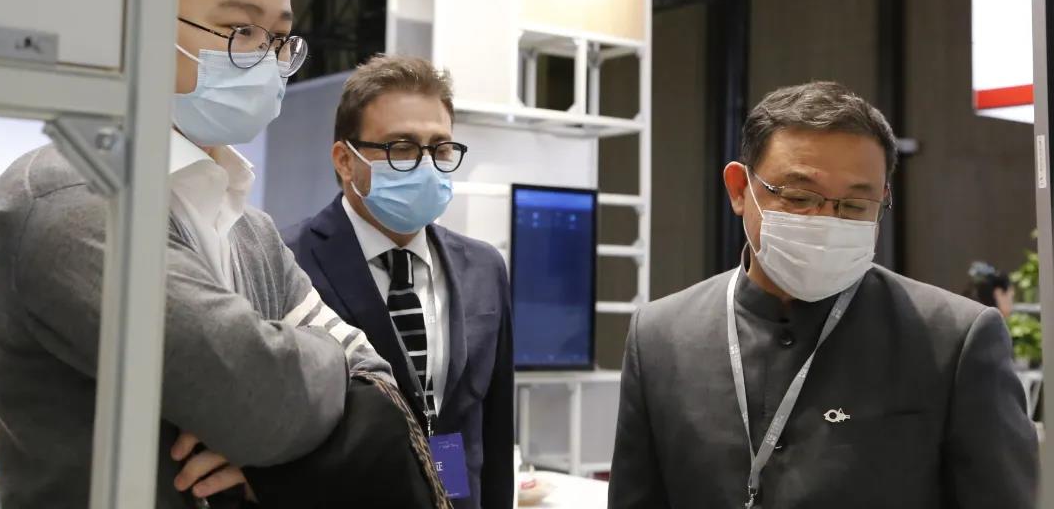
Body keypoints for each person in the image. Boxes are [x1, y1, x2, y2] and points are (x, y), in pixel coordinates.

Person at [0, 0, 397, 509]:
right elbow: (259, 403)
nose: (266, 58)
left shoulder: (248, 228)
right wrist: (322, 368)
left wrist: (282, 437)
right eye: (239, 30)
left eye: (278, 38)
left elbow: (378, 382)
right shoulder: (70, 198)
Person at [608, 81, 1038, 509]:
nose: (825, 222)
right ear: (740, 189)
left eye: (854, 206)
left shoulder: (951, 339)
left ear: (883, 199)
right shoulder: (661, 337)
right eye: (799, 197)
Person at [283, 55, 515, 509]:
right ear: (345, 160)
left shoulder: (484, 269)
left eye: (440, 148)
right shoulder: (288, 260)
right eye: (402, 148)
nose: (426, 166)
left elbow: (495, 429)